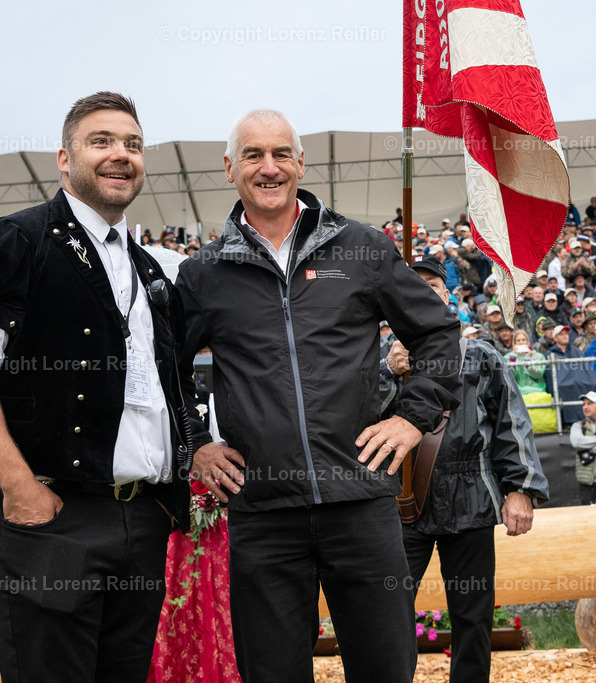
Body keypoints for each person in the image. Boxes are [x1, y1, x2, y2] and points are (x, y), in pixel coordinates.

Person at [176, 109, 461, 682]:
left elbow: (437, 332)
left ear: (300, 163)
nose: (269, 166)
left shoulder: (361, 248)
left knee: (385, 668)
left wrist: (413, 418)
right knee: (272, 672)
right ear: (229, 168)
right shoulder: (203, 273)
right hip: (262, 511)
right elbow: (166, 370)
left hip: (362, 501)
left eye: (281, 153)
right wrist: (195, 444)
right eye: (253, 155)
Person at [0, 92, 193, 681]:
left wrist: (171, 484)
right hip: (50, 519)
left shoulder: (150, 269)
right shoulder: (13, 240)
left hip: (140, 520)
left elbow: (165, 389)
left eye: (133, 144)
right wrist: (19, 486)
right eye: (101, 141)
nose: (121, 154)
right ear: (64, 158)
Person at [387, 256, 549, 683]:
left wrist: (520, 490)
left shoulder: (480, 355)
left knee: (473, 616)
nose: (423, 290)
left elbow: (511, 424)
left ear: (447, 297)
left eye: (432, 285)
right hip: (401, 501)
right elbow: (353, 418)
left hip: (471, 496)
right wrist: (387, 374)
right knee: (386, 613)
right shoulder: (380, 359)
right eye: (414, 284)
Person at [507, 330, 547, 395]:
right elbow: (509, 377)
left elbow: (538, 375)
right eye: (518, 340)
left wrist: (527, 361)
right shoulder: (508, 357)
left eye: (523, 340)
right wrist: (512, 359)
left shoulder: (538, 356)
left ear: (527, 342)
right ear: (514, 343)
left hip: (538, 391)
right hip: (518, 392)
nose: (521, 342)